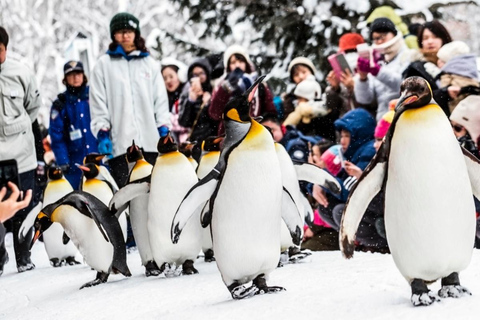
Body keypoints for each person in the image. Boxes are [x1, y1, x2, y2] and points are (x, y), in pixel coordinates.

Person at [89, 12, 170, 186]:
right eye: (120, 31)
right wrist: (102, 133)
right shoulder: (103, 65)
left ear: (136, 33)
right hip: (121, 146)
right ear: (113, 35)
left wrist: (163, 127)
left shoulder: (150, 64)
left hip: (150, 144)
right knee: (127, 197)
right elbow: (98, 103)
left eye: (129, 31)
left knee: (153, 194)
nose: (125, 35)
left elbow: (160, 100)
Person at [0, 26, 41, 273]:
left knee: (24, 207)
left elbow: (33, 106)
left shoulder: (20, 73)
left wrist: (19, 127)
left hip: (21, 155)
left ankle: (23, 257)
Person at [49, 61, 98, 189]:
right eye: (71, 75)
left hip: (98, 159)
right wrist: (63, 160)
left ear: (83, 75)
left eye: (78, 73)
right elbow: (56, 135)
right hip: (75, 164)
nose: (75, 77)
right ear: (65, 79)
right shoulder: (60, 104)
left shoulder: (95, 96)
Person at [209, 44, 276, 135]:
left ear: (246, 63)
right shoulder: (221, 86)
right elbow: (215, 114)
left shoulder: (259, 85)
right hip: (228, 134)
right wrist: (226, 89)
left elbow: (270, 111)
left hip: (254, 133)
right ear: (228, 66)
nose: (237, 65)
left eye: (241, 61)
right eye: (233, 62)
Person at [355, 17, 413, 121]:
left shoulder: (409, 56)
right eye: (376, 39)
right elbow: (365, 99)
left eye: (383, 36)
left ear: (393, 34)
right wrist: (363, 78)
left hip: (406, 117)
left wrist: (378, 72)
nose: (380, 41)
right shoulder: (378, 61)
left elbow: (406, 85)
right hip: (384, 122)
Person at [402, 20, 452, 115]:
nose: (430, 41)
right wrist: (445, 93)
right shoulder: (416, 68)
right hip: (430, 120)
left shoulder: (457, 63)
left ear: (444, 39)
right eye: (425, 38)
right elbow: (412, 99)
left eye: (435, 37)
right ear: (421, 42)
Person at [178, 58, 217, 146]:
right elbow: (183, 122)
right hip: (195, 143)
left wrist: (209, 104)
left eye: (201, 73)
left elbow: (216, 119)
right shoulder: (186, 93)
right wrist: (190, 101)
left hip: (212, 142)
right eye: (195, 74)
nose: (198, 77)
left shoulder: (214, 91)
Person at [436, 41, 479, 113]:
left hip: (456, 117)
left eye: (441, 61)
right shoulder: (472, 74)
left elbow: (449, 101)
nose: (438, 63)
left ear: (451, 62)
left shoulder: (447, 77)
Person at [0, 183, 33, 276]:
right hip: (21, 173)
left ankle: (22, 259)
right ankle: (23, 259)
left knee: (21, 214)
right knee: (22, 214)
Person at [162, 58, 188, 143]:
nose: (168, 81)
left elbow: (185, 123)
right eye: (165, 78)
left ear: (180, 76)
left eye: (171, 76)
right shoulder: (164, 100)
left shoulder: (188, 94)